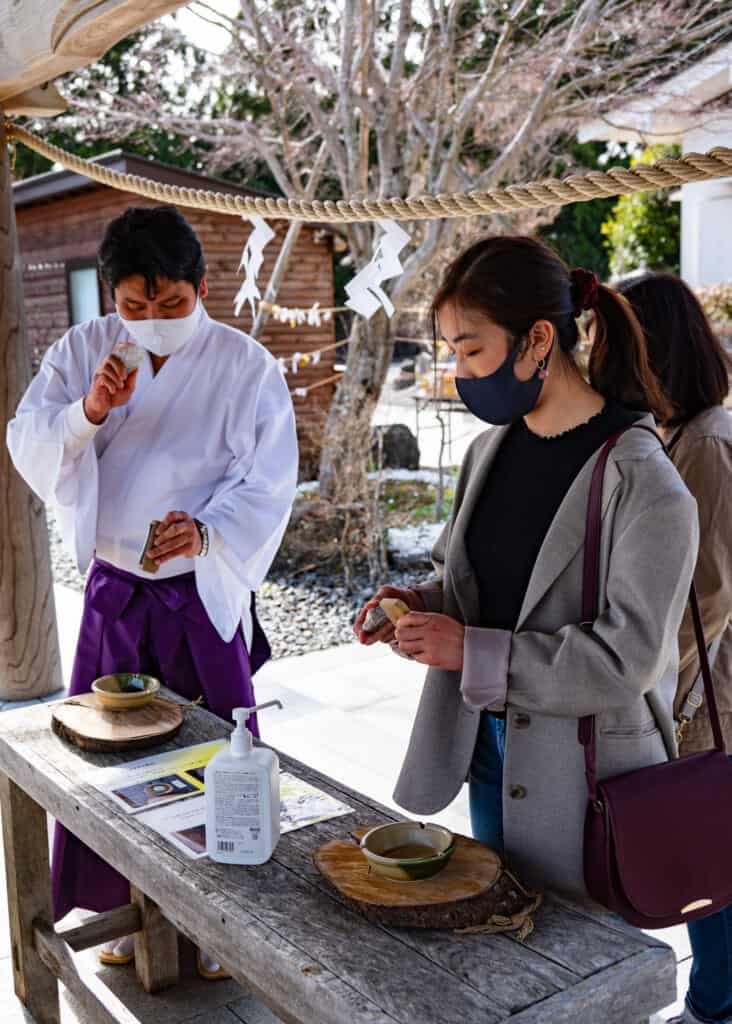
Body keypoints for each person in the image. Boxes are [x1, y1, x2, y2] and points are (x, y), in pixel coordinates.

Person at [355, 236, 699, 905]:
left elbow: (625, 659)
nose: (460, 370)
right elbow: (472, 583)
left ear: (538, 339)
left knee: (588, 975)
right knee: (504, 941)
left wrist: (468, 649)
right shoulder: (490, 450)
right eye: (452, 350)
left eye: (471, 348)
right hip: (483, 745)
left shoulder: (645, 482)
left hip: (589, 777)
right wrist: (416, 606)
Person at [7, 205, 298, 978]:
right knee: (115, 761)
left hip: (198, 590)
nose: (155, 321)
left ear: (201, 288)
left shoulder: (246, 366)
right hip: (117, 591)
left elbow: (269, 478)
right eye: (136, 307)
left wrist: (206, 531)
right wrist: (89, 412)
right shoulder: (85, 350)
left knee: (214, 758)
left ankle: (221, 928)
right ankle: (123, 915)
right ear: (112, 299)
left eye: (172, 304)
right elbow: (27, 438)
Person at [618, 272, 731, 1024]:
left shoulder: (708, 444)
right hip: (697, 688)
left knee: (710, 856)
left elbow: (710, 595)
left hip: (710, 695)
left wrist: (650, 686)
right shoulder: (680, 433)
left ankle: (714, 1005)